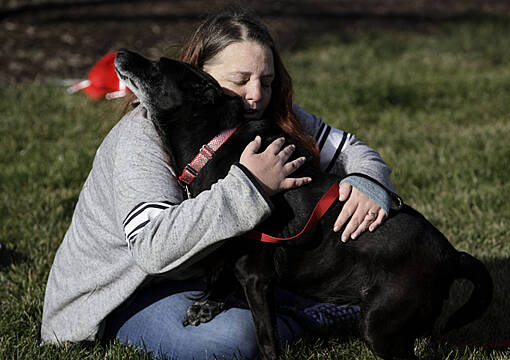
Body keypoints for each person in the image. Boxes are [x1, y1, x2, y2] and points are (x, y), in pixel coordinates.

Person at [41, 7, 401, 360]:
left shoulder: (256, 113)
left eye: (268, 80)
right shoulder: (143, 137)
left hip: (215, 276)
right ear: (199, 77)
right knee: (228, 342)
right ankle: (319, 314)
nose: (256, 94)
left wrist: (367, 181)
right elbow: (153, 251)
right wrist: (251, 186)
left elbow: (351, 150)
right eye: (240, 80)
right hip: (127, 292)